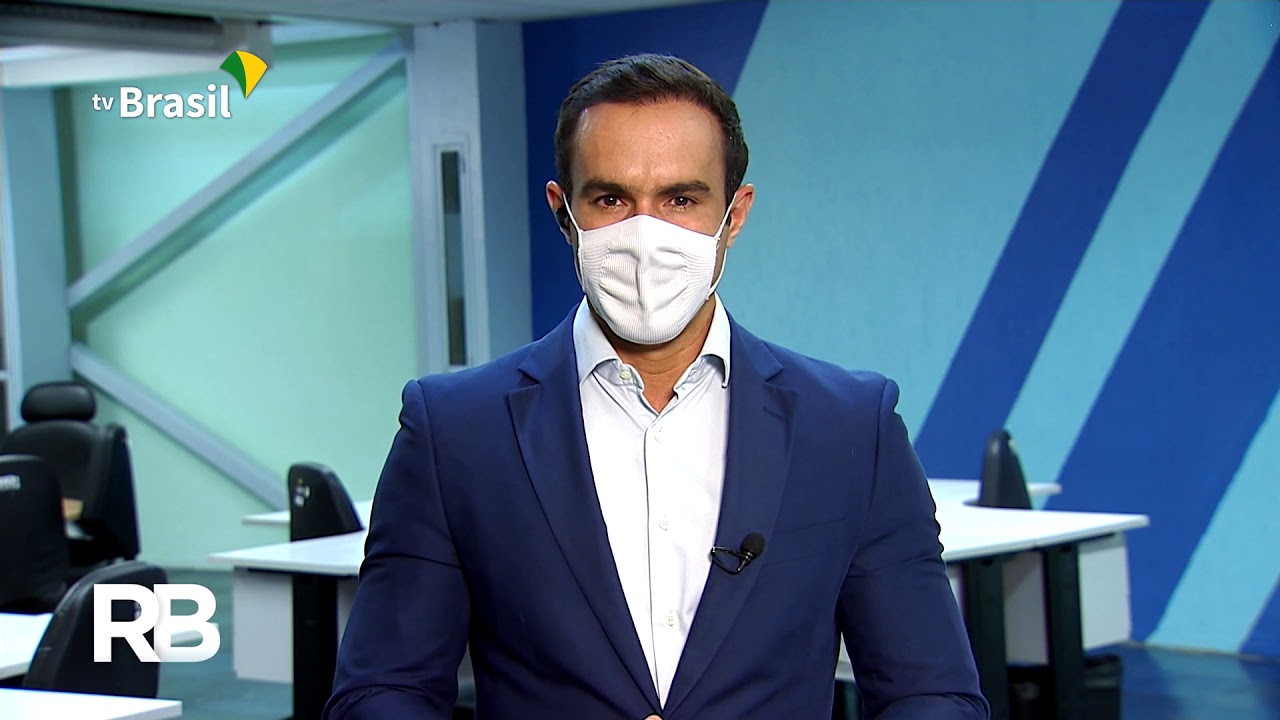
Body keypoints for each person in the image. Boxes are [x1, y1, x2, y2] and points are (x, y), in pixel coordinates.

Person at [325, 53, 989, 719]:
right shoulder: (454, 431)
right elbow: (382, 691)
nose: (645, 235)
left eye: (681, 200)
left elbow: (931, 693)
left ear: (735, 214)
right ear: (564, 213)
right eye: (611, 199)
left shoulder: (850, 427)